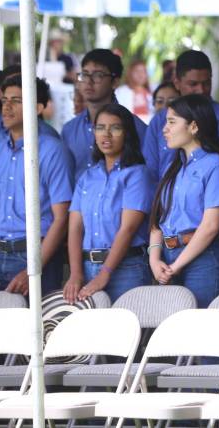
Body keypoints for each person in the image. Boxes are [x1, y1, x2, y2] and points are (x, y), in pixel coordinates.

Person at [63, 104, 155, 303]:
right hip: (87, 267)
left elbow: (128, 229)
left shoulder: (137, 174)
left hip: (126, 268)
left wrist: (105, 273)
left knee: (126, 330)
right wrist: (76, 273)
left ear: (127, 133)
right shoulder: (87, 177)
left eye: (115, 128)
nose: (106, 134)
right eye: (100, 127)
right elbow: (75, 229)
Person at [148, 95, 219, 307]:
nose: (165, 129)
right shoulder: (171, 169)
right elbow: (158, 222)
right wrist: (154, 260)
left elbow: (211, 226)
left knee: (198, 333)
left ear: (193, 126)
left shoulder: (215, 164)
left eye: (172, 122)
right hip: (167, 258)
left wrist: (176, 266)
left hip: (203, 261)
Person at [0, 75, 73, 294]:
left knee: (38, 327)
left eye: (16, 101)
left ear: (38, 107)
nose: (7, 107)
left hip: (33, 253)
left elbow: (62, 218)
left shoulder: (53, 150)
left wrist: (34, 268)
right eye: (4, 100)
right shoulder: (0, 147)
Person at [144, 50, 219, 179]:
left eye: (206, 83)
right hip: (163, 196)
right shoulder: (159, 120)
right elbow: (150, 174)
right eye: (193, 84)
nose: (201, 90)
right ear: (177, 83)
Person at [63, 49, 148, 181]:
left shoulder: (135, 127)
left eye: (98, 75)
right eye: (84, 75)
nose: (88, 82)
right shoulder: (69, 130)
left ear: (115, 82)